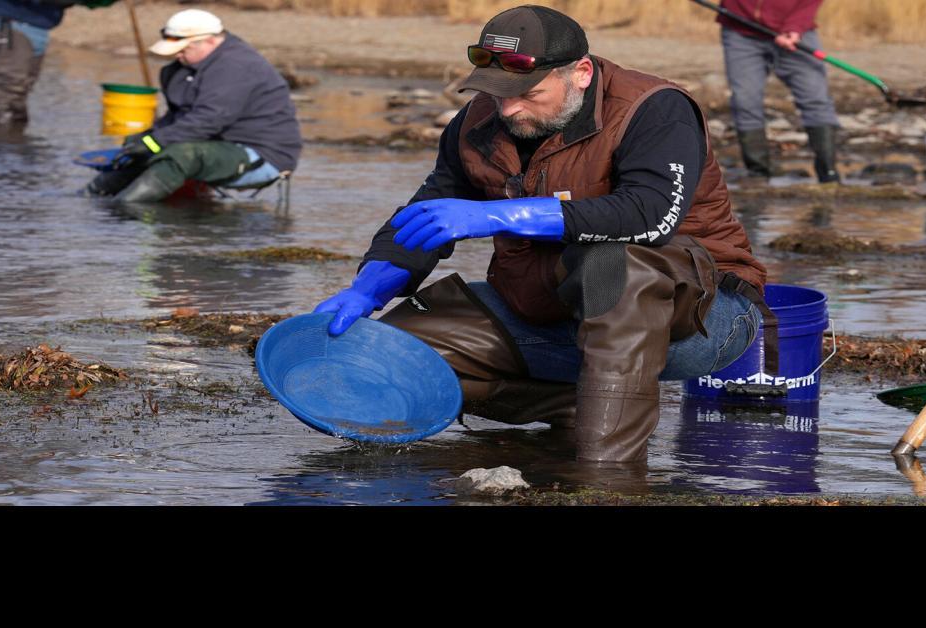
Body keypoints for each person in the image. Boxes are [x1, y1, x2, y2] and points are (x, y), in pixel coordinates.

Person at [311, 5, 775, 463]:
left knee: (614, 264)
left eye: (528, 93)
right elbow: (426, 215)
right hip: (550, 314)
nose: (508, 108)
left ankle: (608, 475)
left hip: (697, 321)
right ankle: (577, 409)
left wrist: (501, 215)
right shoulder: (478, 122)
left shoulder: (655, 109)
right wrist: (368, 290)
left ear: (581, 74)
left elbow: (648, 216)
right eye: (497, 93)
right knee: (394, 352)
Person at [87, 9, 302, 203]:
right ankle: (93, 199)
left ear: (209, 41)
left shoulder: (236, 67)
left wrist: (154, 142)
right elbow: (177, 119)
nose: (177, 55)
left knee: (181, 154)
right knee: (144, 152)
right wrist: (145, 138)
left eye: (183, 50)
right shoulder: (184, 68)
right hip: (213, 145)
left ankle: (125, 207)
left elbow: (207, 122)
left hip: (260, 154)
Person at [716, 0, 839, 182]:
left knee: (816, 99)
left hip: (797, 34)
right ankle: (758, 174)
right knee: (745, 101)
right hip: (740, 30)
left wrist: (795, 26)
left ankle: (829, 175)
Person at [0, 0, 116, 127]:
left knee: (19, 92)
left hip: (34, 26)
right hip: (9, 20)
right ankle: (2, 144)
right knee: (9, 89)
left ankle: (13, 140)